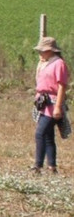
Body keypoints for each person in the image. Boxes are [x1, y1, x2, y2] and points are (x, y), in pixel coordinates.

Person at [32, 37, 69, 174]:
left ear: (50, 51)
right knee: (47, 135)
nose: (40, 53)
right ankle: (52, 167)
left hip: (53, 103)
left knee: (40, 133)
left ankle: (38, 166)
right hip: (43, 102)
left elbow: (61, 87)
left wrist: (58, 107)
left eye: (42, 50)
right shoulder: (44, 63)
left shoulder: (59, 64)